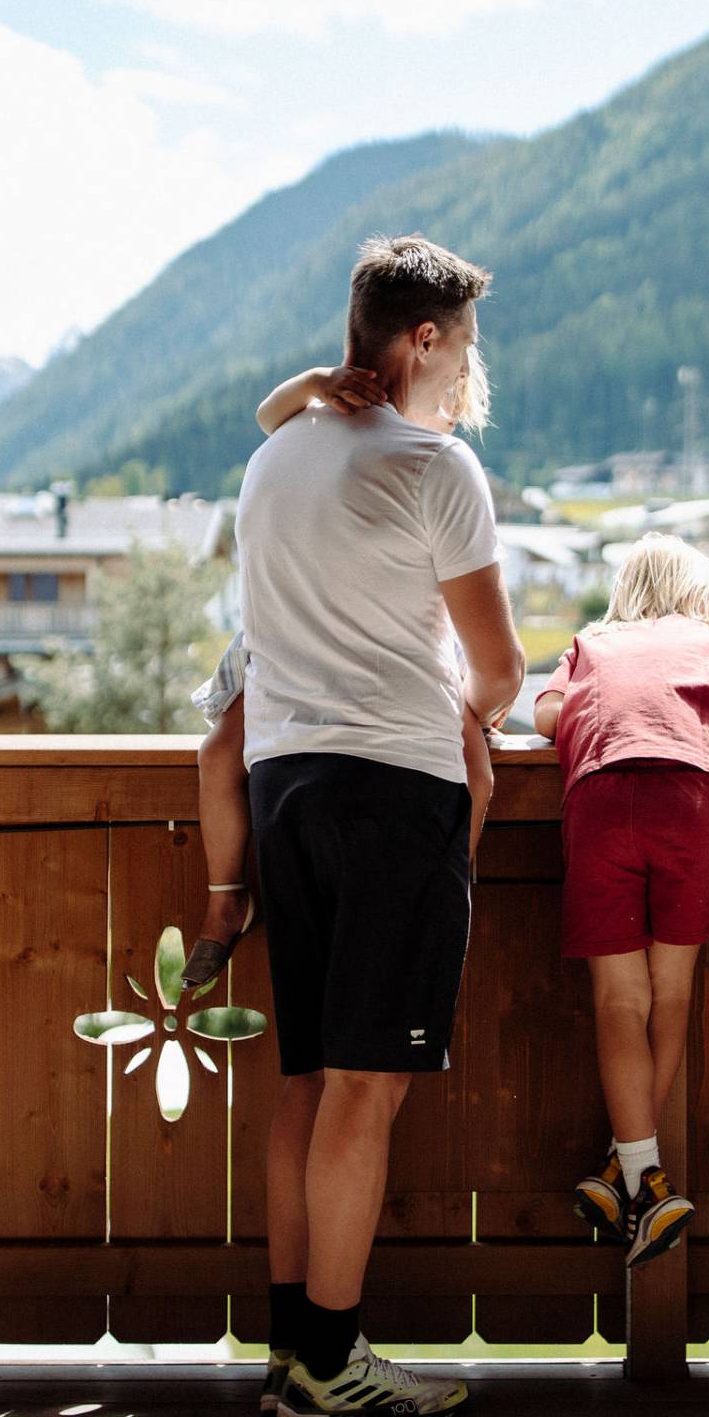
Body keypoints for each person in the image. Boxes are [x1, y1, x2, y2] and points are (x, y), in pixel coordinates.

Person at [235, 234, 523, 1417]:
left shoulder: (275, 461)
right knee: (366, 1086)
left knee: (308, 1077)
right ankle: (333, 1359)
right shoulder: (434, 464)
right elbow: (500, 670)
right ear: (421, 340)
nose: (468, 370)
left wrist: (308, 388)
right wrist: (471, 717)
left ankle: (295, 1341)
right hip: (392, 791)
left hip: (283, 782)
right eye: (462, 344)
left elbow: (274, 413)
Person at [180, 345, 495, 997]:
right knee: (216, 757)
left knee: (476, 760)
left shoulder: (420, 462)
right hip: (290, 639)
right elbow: (269, 414)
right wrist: (316, 383)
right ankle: (225, 898)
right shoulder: (333, 419)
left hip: (360, 659)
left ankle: (451, 872)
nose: (448, 422)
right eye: (446, 406)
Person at [532, 534, 709, 1267]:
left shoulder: (592, 642)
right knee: (670, 998)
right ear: (705, 597)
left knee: (619, 1004)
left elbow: (544, 717)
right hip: (691, 801)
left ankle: (632, 1173)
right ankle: (639, 1177)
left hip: (601, 799)